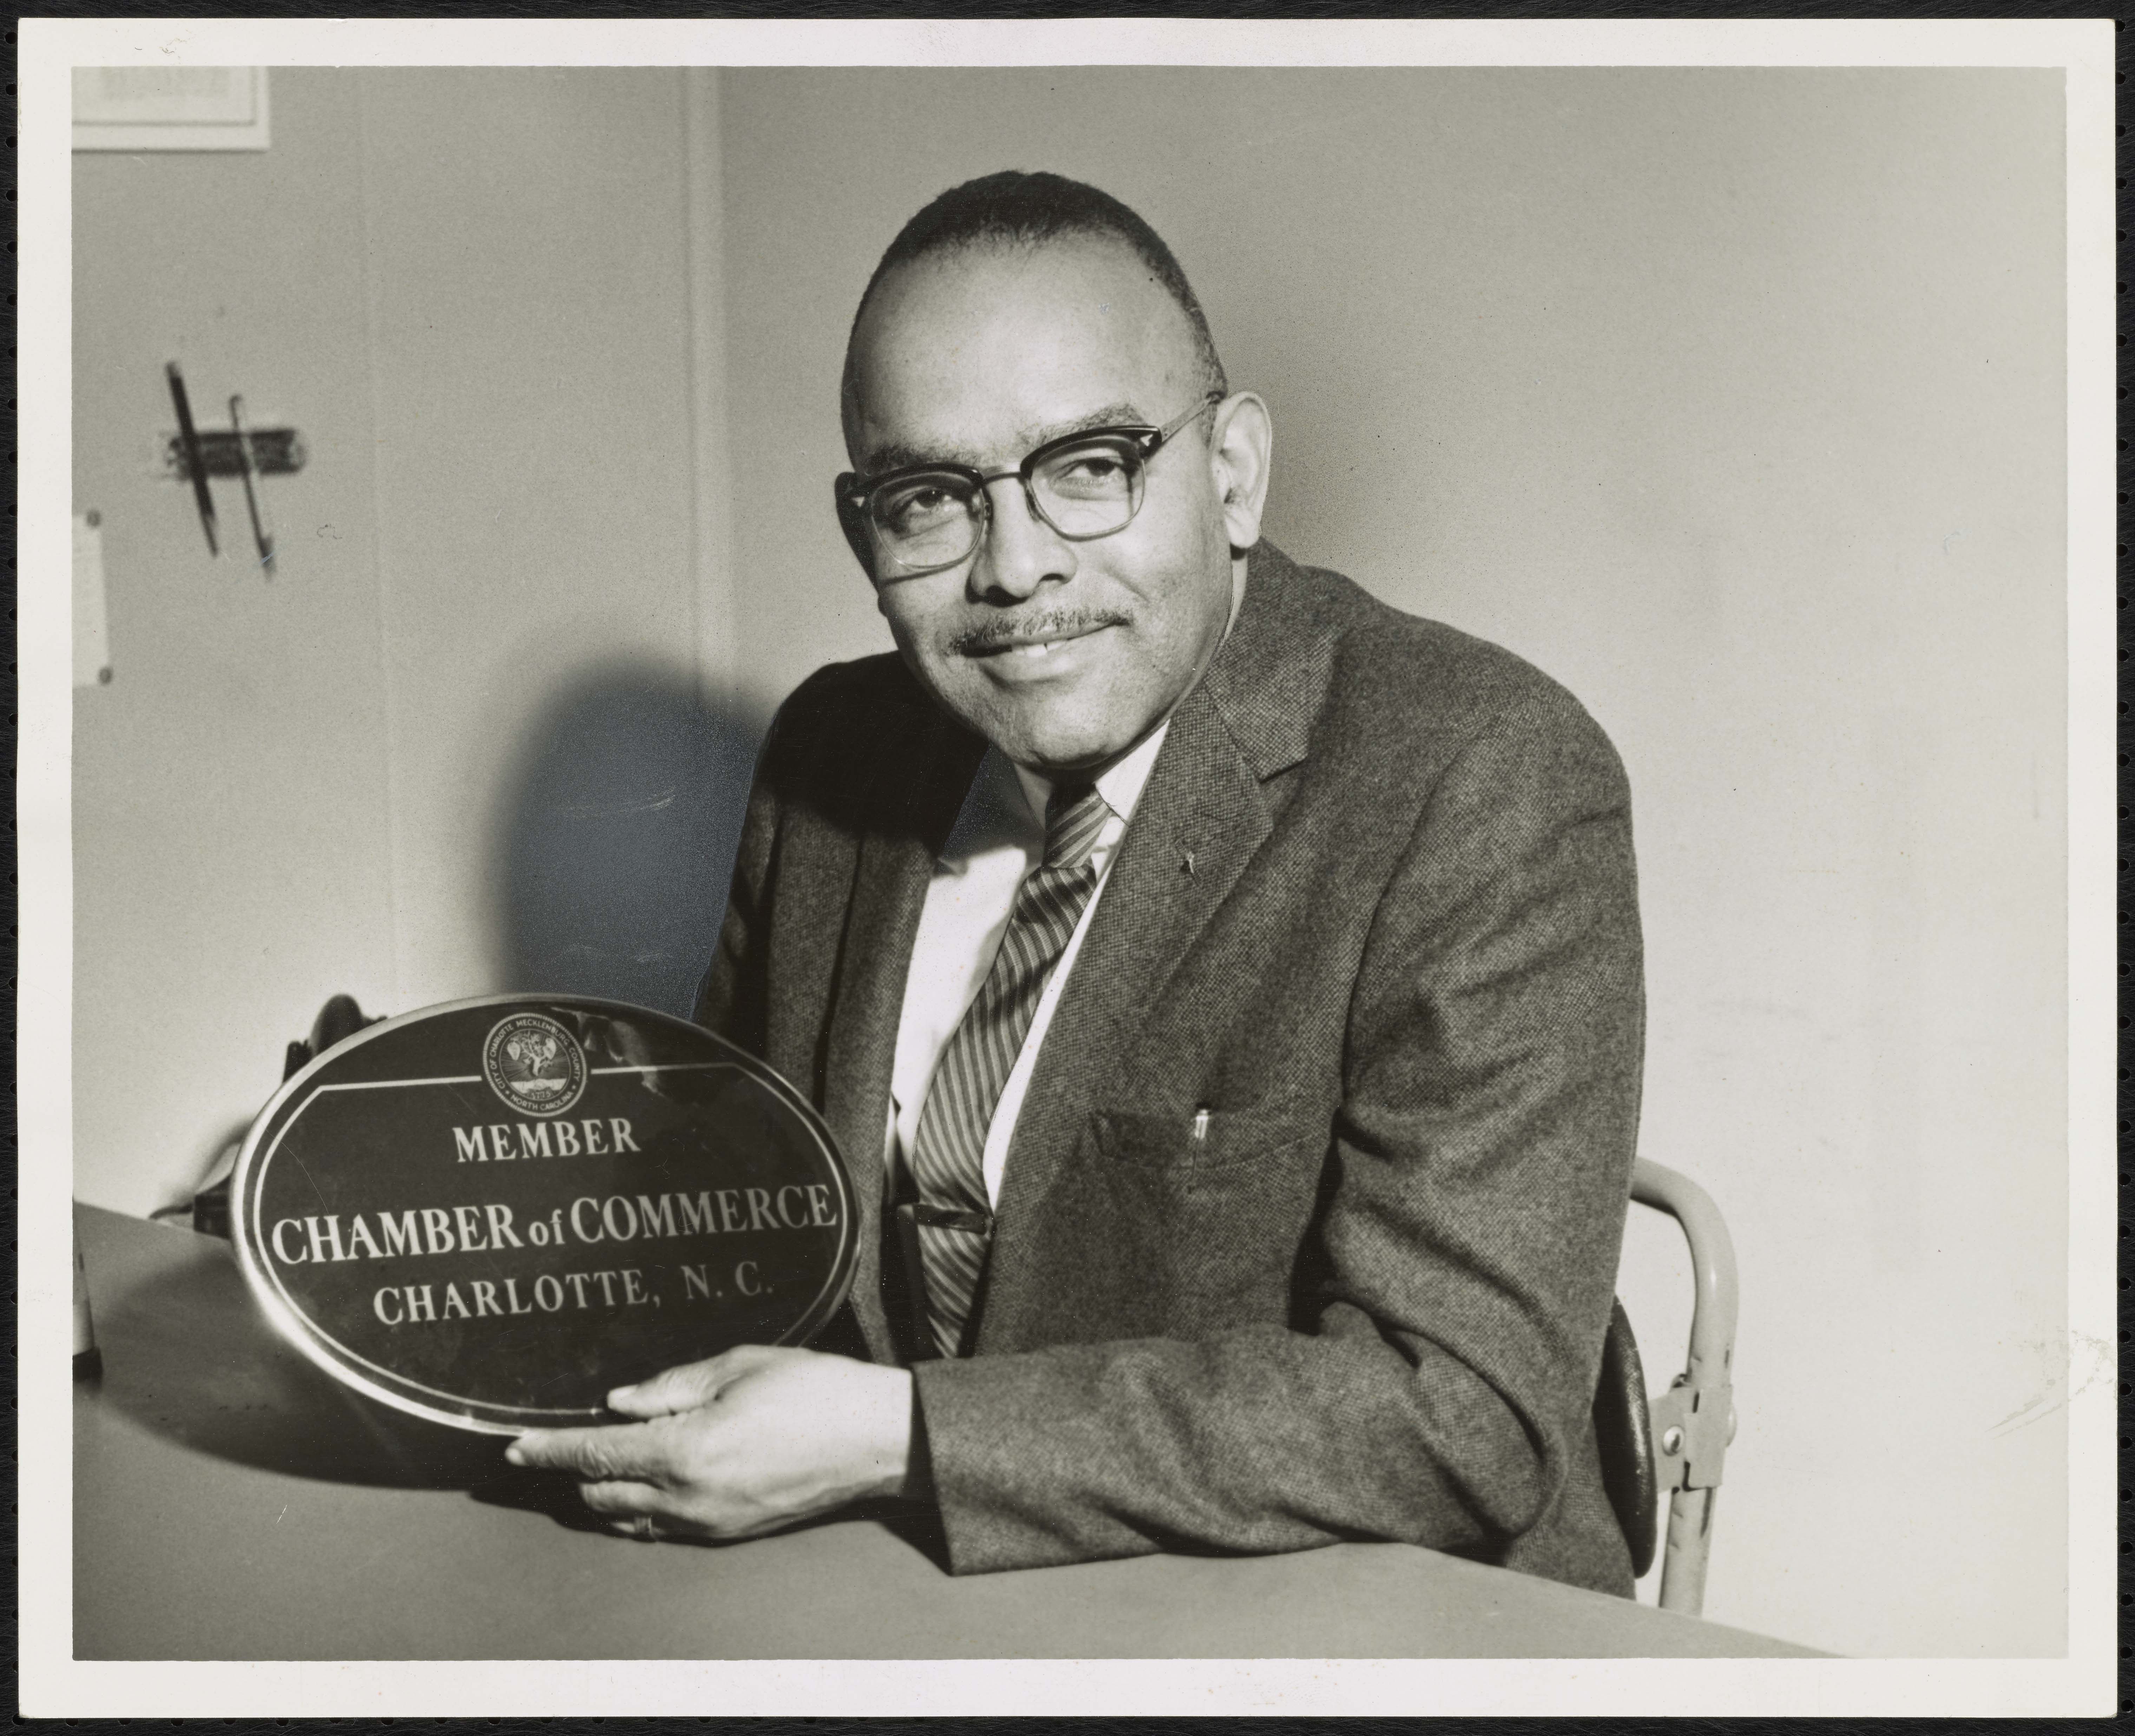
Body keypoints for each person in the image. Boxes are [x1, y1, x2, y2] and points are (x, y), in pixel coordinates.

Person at [509, 171, 1646, 1596]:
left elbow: (1458, 1415)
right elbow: (727, 1220)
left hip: (1350, 1627)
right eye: (929, 499)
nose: (1016, 567)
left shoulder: (1480, 770)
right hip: (893, 1604)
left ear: (1230, 471)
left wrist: (901, 1436)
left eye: (1090, 466)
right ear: (866, 527)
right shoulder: (835, 748)